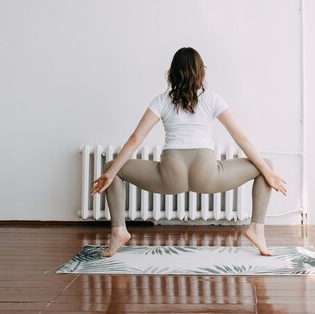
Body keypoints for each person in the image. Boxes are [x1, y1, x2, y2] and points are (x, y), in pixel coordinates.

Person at [90, 47, 288, 257]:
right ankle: (256, 229)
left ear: (172, 73)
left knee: (112, 167)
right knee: (266, 166)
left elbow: (135, 139)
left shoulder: (162, 100)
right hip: (207, 175)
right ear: (201, 71)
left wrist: (110, 175)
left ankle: (119, 231)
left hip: (169, 176)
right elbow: (241, 139)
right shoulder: (212, 99)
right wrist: (267, 172)